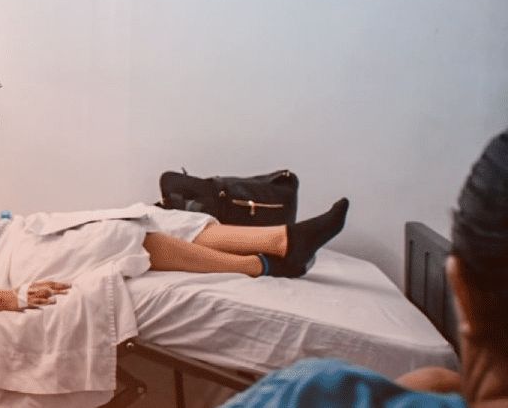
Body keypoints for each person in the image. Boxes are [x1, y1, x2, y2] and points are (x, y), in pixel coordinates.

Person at [214, 129, 508, 408]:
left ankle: (275, 250)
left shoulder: (312, 396)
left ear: (463, 291)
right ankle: (273, 253)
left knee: (174, 231)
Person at [0, 198, 350, 319]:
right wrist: (9, 299)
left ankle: (284, 240)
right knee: (121, 238)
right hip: (7, 267)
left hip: (22, 229)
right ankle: (262, 264)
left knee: (150, 215)